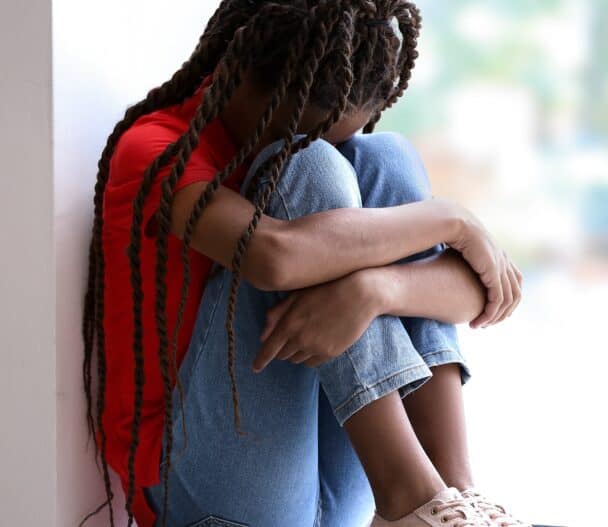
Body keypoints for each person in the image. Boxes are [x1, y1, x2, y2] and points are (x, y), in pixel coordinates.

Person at [81, 1, 529, 526]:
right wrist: (451, 220)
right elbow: (276, 257)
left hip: (329, 487)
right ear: (243, 75)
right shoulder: (157, 147)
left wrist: (373, 291)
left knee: (387, 160)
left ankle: (449, 496)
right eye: (303, 128)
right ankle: (412, 496)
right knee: (310, 171)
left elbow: (472, 296)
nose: (334, 147)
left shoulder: (348, 151)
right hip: (206, 490)